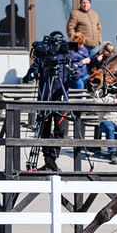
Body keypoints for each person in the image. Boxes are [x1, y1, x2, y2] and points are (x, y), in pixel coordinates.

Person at [22, 31, 82, 171]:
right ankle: (48, 160)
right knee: (44, 130)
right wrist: (30, 74)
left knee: (61, 130)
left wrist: (75, 73)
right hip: (44, 99)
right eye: (53, 43)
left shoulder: (67, 55)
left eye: (58, 43)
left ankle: (52, 158)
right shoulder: (43, 55)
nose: (56, 45)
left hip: (61, 99)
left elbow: (77, 73)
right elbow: (34, 68)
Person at [97, 94, 117, 164]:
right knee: (109, 128)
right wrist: (112, 102)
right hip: (107, 120)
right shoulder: (104, 95)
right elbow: (97, 105)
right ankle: (113, 153)